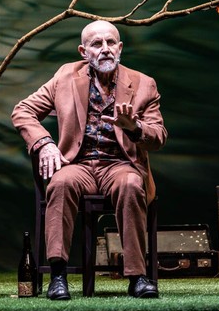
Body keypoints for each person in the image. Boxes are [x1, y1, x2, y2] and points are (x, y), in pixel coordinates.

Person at [11, 20, 167, 300]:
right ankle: (58, 276)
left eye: (110, 43)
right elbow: (23, 110)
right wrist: (45, 143)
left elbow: (158, 137)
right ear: (84, 51)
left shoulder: (144, 83)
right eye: (97, 44)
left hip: (119, 164)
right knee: (59, 184)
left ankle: (137, 277)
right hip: (78, 164)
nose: (105, 49)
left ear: (120, 48)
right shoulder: (65, 76)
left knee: (131, 185)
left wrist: (134, 128)